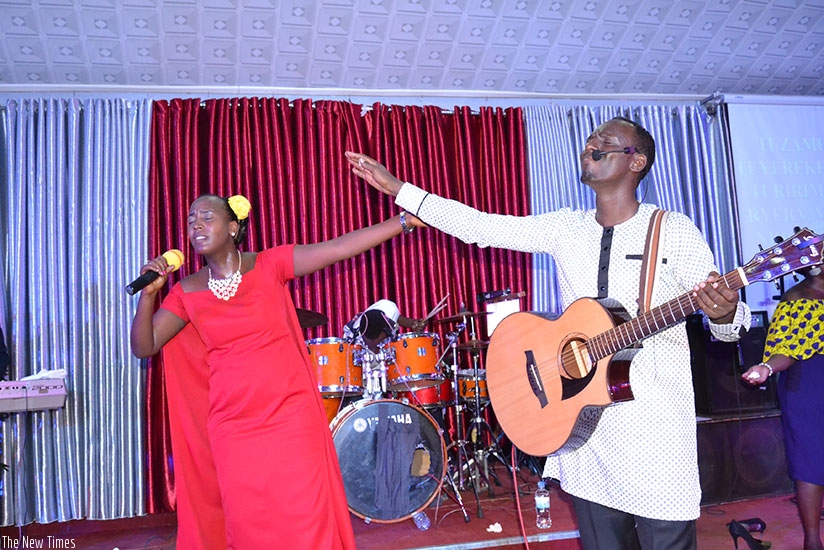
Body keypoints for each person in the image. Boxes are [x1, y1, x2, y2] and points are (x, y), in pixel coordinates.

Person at [345, 116, 752, 550]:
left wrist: (724, 312)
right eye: (591, 137)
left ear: (637, 162)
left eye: (606, 140)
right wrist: (400, 189)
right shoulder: (565, 228)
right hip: (581, 429)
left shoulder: (673, 231)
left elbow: (729, 329)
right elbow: (482, 226)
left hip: (654, 431)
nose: (592, 142)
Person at [130, 193, 419, 549]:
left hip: (290, 419)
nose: (196, 225)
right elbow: (145, 346)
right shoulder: (186, 291)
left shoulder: (269, 264)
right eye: (191, 220)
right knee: (249, 525)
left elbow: (339, 247)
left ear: (233, 227)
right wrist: (148, 296)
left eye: (207, 216)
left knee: (304, 519)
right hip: (233, 427)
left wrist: (401, 222)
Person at [742, 263, 824, 550]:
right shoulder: (795, 299)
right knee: (810, 461)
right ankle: (813, 539)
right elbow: (785, 350)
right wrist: (766, 367)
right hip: (809, 385)